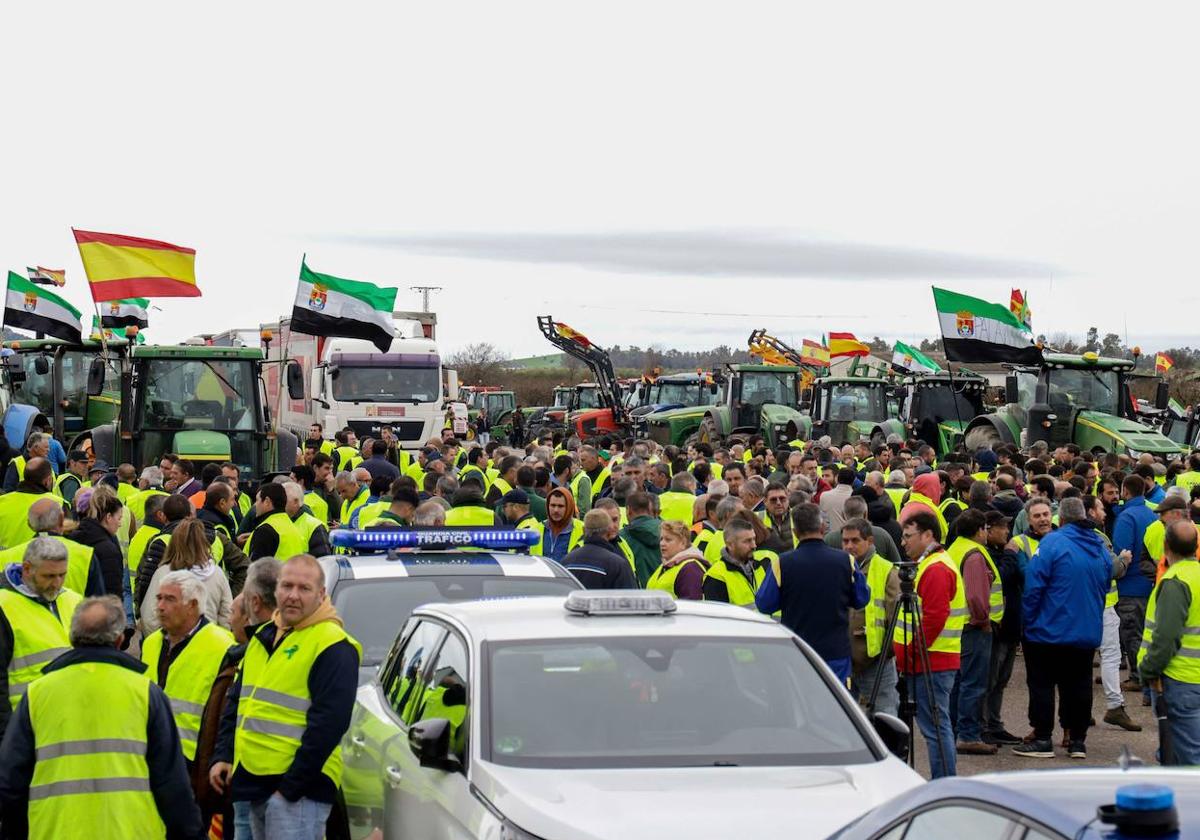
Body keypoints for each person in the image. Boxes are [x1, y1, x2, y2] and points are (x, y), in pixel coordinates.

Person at [0, 596, 203, 839]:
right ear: (119, 640)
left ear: (72, 638)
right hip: (131, 832)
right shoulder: (146, 694)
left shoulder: (37, 694)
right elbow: (172, 783)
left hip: (55, 831)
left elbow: (11, 781)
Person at [210, 556, 360, 839]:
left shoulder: (332, 645)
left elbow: (328, 725)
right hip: (250, 782)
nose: (293, 595)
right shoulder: (263, 636)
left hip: (297, 794)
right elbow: (238, 704)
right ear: (276, 590)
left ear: (321, 595)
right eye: (287, 586)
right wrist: (224, 755)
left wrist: (289, 790)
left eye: (304, 588)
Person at [1014, 497, 1111, 760]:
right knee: (1079, 685)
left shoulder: (1052, 543)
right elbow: (1105, 583)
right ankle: (1077, 740)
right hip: (1086, 629)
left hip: (1048, 629)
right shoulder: (1099, 546)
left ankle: (1043, 737)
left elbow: (1035, 586)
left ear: (1061, 518)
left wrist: (1028, 620)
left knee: (1042, 684)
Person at [195, 559, 280, 834]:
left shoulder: (304, 648)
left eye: (233, 612)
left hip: (277, 787)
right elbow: (233, 711)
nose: (229, 619)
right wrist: (223, 756)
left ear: (253, 607)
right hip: (242, 778)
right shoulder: (250, 650)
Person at [755, 504, 868, 682]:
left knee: (800, 704)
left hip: (798, 650)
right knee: (835, 704)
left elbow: (764, 604)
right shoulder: (846, 561)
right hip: (835, 652)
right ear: (823, 527)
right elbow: (861, 599)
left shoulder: (782, 563)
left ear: (795, 531)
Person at [141, 570, 236, 767]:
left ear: (192, 605)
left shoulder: (223, 645)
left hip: (194, 758)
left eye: (169, 600)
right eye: (159, 598)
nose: (160, 606)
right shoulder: (151, 643)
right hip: (150, 751)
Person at [895, 510, 963, 779]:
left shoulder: (935, 569)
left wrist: (910, 654)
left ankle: (943, 784)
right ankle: (944, 782)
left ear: (928, 535)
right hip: (929, 660)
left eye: (908, 536)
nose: (903, 542)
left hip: (930, 662)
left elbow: (934, 619)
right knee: (937, 727)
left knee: (936, 729)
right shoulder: (931, 565)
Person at [0, 538, 81, 740]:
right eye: (49, 576)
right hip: (23, 728)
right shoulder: (4, 606)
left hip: (68, 723)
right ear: (27, 569)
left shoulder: (73, 600)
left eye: (62, 575)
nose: (57, 583)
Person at [1138, 519, 1200, 765]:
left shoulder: (1176, 581)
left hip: (1179, 679)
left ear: (1165, 545)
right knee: (1175, 753)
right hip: (1190, 678)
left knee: (1188, 760)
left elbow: (1165, 637)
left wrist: (1148, 669)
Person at [944, 509, 1001, 755]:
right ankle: (968, 734)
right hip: (974, 627)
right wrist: (983, 620)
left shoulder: (954, 549)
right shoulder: (974, 555)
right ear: (980, 530)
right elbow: (977, 596)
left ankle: (957, 729)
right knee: (974, 682)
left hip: (958, 626)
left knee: (959, 681)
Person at [840, 518, 900, 718]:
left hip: (876, 661)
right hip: (844, 658)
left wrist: (888, 652)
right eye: (845, 541)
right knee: (845, 718)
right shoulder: (839, 567)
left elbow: (896, 618)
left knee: (885, 716)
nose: (849, 546)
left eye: (855, 541)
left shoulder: (886, 570)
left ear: (870, 541)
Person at [142, 518, 234, 634]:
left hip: (174, 642)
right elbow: (227, 616)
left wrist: (165, 641)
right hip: (209, 641)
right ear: (204, 543)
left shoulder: (164, 573)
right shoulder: (217, 573)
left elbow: (149, 618)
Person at [1113, 474, 1158, 700]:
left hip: (1131, 585)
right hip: (1149, 583)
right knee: (1144, 633)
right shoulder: (1151, 514)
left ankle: (1138, 677)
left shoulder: (1127, 517)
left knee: (1132, 633)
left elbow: (1123, 553)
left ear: (1125, 492)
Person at [67, 485, 130, 624]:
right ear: (108, 517)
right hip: (98, 622)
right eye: (119, 518)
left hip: (70, 615)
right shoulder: (107, 549)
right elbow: (112, 595)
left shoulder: (71, 538)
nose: (120, 524)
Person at [560, 510, 638, 590]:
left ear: (584, 530)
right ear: (609, 531)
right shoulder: (618, 565)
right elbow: (630, 598)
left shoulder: (566, 561)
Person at [703, 517, 765, 606]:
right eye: (747, 541)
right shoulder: (717, 576)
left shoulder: (759, 566)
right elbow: (718, 617)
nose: (753, 545)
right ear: (730, 544)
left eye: (753, 539)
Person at [647, 520, 708, 600]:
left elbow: (691, 608)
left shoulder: (690, 569)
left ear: (683, 543)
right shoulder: (667, 565)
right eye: (661, 539)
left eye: (668, 540)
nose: (662, 543)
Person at [247, 482, 306, 562]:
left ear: (267, 501)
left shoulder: (265, 530)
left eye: (257, 500)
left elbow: (258, 569)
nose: (255, 505)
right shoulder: (291, 526)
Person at [526, 487, 584, 561]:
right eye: (553, 505)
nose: (556, 510)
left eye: (560, 506)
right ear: (547, 506)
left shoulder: (583, 530)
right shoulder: (535, 530)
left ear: (569, 507)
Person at [620, 491, 661, 587]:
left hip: (635, 596)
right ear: (650, 508)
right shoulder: (669, 531)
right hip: (663, 594)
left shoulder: (621, 538)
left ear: (628, 510)